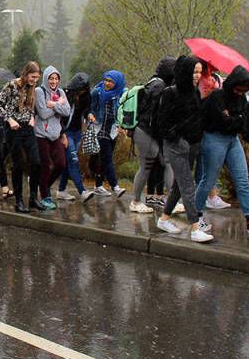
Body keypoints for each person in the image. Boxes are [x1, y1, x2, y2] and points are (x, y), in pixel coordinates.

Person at [195, 65, 249, 239]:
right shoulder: (217, 96)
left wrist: (235, 119)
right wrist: (237, 119)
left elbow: (241, 122)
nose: (240, 93)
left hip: (232, 140)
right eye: (238, 89)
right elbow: (223, 122)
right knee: (209, 179)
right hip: (214, 138)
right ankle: (195, 214)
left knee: (243, 179)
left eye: (243, 91)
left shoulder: (241, 99)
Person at [155, 56, 213, 243]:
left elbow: (197, 119)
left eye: (199, 72)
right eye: (194, 72)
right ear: (184, 72)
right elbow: (162, 124)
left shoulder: (195, 93)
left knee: (178, 187)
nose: (197, 76)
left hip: (191, 147)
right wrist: (179, 139)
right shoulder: (169, 93)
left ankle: (163, 219)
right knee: (188, 185)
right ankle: (195, 227)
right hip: (175, 147)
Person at [128, 58, 175, 212]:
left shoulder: (156, 83)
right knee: (145, 168)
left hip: (152, 133)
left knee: (167, 163)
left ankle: (172, 201)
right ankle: (135, 202)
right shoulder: (158, 86)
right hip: (146, 132)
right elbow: (152, 114)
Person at [0, 62, 46, 211]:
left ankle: (33, 198)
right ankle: (19, 201)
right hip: (13, 128)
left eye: (37, 78)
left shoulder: (32, 87)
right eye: (32, 77)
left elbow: (30, 105)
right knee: (18, 165)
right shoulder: (12, 85)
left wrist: (32, 117)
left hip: (28, 127)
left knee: (36, 162)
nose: (34, 80)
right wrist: (10, 119)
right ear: (26, 74)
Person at [33, 65, 73, 210]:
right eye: (51, 78)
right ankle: (45, 196)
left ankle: (44, 186)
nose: (54, 81)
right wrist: (58, 106)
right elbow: (43, 114)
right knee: (45, 165)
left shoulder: (61, 92)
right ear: (46, 78)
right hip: (41, 134)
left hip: (55, 134)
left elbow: (67, 111)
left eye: (56, 79)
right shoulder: (39, 91)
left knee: (61, 164)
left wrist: (53, 104)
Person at [89, 70, 127, 197]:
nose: (107, 83)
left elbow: (124, 112)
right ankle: (115, 186)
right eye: (106, 80)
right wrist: (90, 115)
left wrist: (123, 125)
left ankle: (98, 186)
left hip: (113, 131)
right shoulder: (97, 92)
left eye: (111, 81)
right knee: (107, 158)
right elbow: (90, 108)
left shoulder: (122, 94)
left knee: (105, 160)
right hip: (100, 129)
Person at [57, 73, 95, 203]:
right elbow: (59, 116)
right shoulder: (65, 95)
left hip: (77, 132)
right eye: (80, 90)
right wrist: (62, 134)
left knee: (68, 163)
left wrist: (89, 114)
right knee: (73, 160)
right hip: (65, 132)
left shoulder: (86, 96)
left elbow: (86, 109)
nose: (82, 92)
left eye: (84, 90)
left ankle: (61, 190)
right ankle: (82, 191)